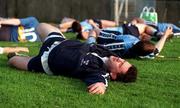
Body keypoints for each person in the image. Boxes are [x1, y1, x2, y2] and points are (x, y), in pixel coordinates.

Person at [8, 23, 137, 95]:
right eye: (123, 60)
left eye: (120, 65)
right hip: (58, 41)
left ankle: (19, 56)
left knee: (12, 61)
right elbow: (92, 41)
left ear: (113, 75)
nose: (119, 60)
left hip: (45, 61)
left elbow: (101, 80)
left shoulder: (99, 72)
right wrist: (93, 33)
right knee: (40, 26)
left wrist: (102, 86)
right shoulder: (108, 53)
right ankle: (37, 48)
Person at [86, 26, 173, 59]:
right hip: (119, 36)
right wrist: (165, 35)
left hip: (113, 38)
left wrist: (91, 39)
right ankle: (158, 34)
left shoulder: (123, 44)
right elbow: (157, 51)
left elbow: (96, 48)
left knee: (94, 31)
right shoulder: (145, 54)